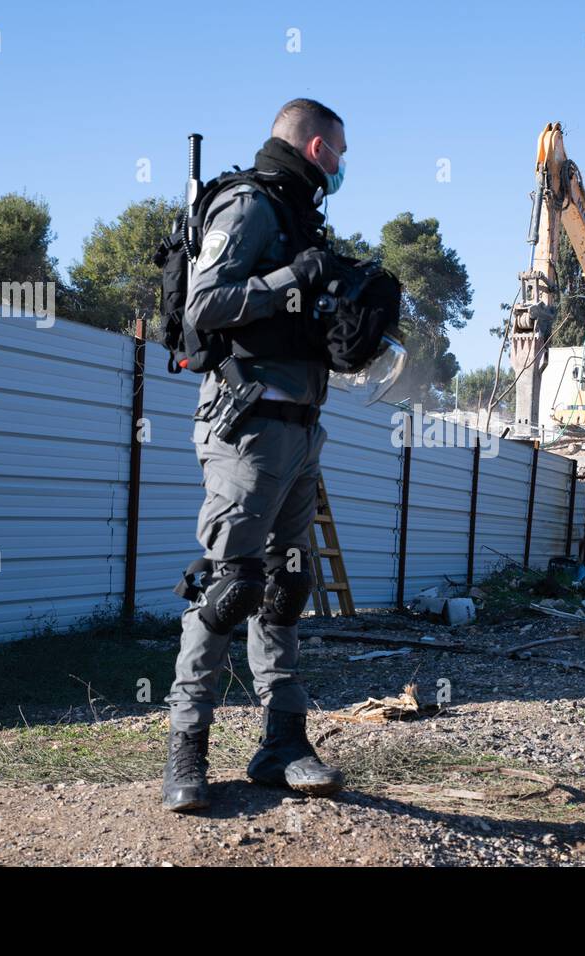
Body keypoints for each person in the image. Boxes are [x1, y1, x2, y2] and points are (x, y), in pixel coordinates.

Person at [162, 98, 348, 813]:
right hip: (245, 426)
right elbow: (204, 305)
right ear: (315, 147)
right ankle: (187, 749)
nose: (342, 165)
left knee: (287, 584)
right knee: (229, 588)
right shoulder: (249, 205)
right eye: (338, 151)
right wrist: (292, 281)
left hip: (300, 428)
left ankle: (282, 744)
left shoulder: (299, 217)